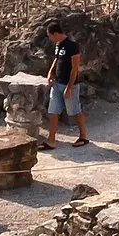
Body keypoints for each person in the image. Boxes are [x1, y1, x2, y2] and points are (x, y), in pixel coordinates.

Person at [41, 22, 90, 150]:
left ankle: (83, 136)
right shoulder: (58, 45)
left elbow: (75, 69)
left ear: (55, 34)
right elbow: (57, 59)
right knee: (52, 111)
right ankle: (51, 140)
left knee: (74, 111)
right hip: (57, 83)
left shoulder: (72, 46)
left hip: (70, 85)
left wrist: (69, 87)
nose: (50, 39)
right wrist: (50, 72)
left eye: (50, 36)